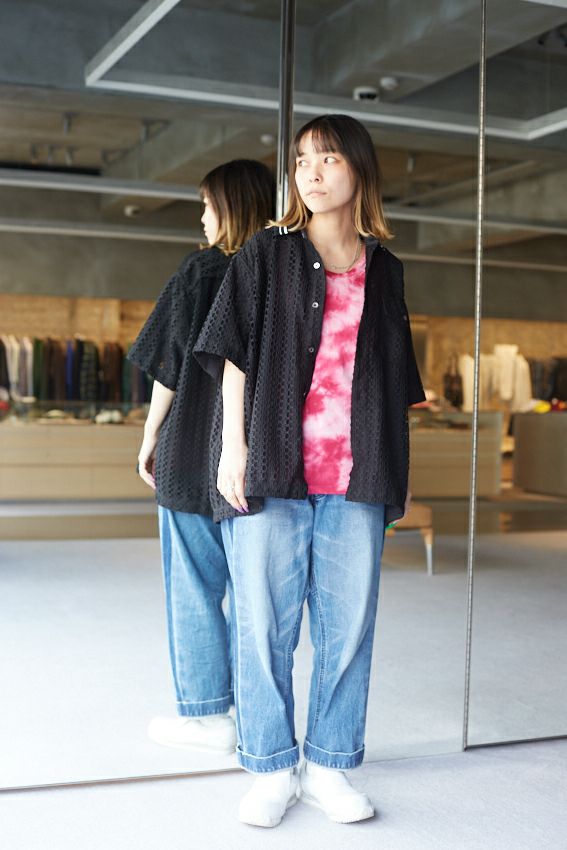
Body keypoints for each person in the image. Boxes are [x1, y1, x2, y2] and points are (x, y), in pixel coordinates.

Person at [194, 114, 425, 824]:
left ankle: (329, 766)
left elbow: (394, 381)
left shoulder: (386, 270)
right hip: (274, 468)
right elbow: (232, 355)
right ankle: (270, 768)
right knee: (263, 625)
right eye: (301, 161)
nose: (311, 172)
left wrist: (395, 471)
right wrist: (233, 448)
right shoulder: (267, 253)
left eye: (327, 158)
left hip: (356, 478)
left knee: (347, 629)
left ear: (359, 169)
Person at [128, 159, 275, 754]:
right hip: (258, 453)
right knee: (256, 592)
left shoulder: (201, 271)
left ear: (229, 208)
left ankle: (208, 715)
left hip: (191, 447)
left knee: (194, 583)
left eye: (207, 206)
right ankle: (253, 713)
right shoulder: (277, 273)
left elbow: (169, 364)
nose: (203, 218)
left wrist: (149, 435)